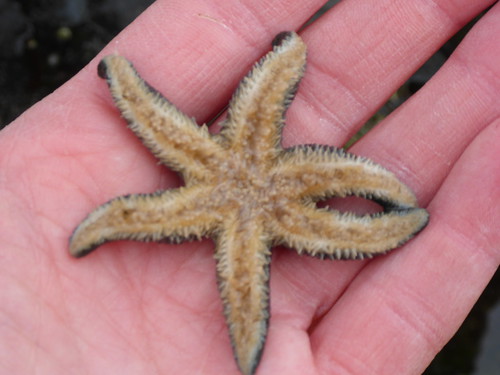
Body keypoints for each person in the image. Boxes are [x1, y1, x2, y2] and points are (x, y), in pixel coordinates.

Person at [0, 1, 498, 373]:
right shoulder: (229, 183)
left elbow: (284, 72)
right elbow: (138, 172)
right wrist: (122, 85)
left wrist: (394, 211)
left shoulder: (244, 166)